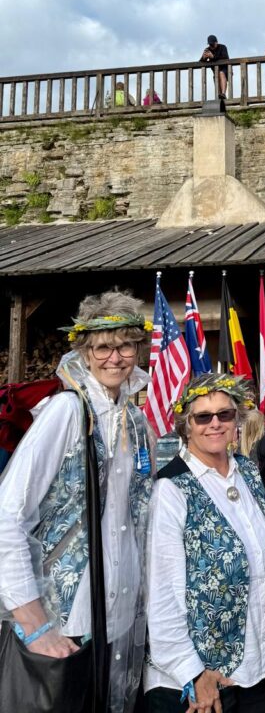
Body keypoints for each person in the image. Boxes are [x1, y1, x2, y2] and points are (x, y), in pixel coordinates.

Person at [0, 290, 155, 713]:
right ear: (85, 352)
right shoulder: (67, 411)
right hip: (66, 621)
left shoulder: (135, 419)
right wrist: (35, 625)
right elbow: (6, 516)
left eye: (125, 345)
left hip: (117, 619)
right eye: (103, 347)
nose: (115, 357)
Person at [144, 372, 265, 713]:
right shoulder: (172, 490)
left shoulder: (248, 472)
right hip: (205, 681)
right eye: (203, 416)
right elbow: (161, 594)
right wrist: (193, 673)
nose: (215, 424)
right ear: (186, 425)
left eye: (225, 414)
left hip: (258, 667)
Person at [200, 35, 230, 99]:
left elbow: (225, 58)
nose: (211, 46)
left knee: (221, 73)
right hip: (216, 72)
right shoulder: (207, 50)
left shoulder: (222, 47)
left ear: (216, 42)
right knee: (216, 76)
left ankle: (223, 93)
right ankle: (220, 96)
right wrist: (203, 58)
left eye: (212, 44)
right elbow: (200, 62)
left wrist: (213, 56)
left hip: (225, 69)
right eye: (210, 45)